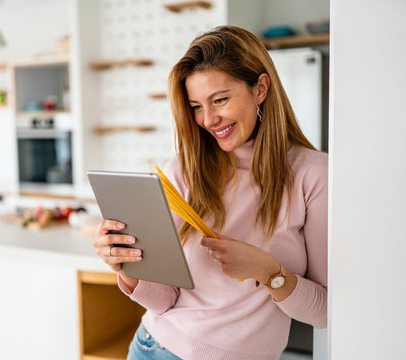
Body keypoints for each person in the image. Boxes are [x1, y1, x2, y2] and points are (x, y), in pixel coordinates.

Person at [93, 25, 327, 360]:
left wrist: (268, 272)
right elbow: (166, 299)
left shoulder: (313, 174)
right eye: (196, 106)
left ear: (260, 88)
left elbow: (325, 312)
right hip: (156, 349)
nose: (209, 119)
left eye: (220, 100)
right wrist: (125, 267)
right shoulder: (185, 168)